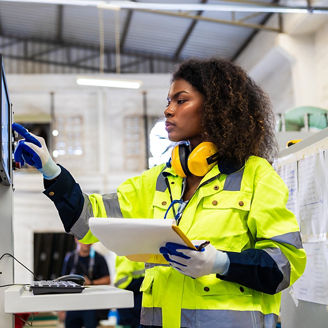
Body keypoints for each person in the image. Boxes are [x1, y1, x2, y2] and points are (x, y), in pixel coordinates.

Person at [13, 57, 306, 328]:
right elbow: (87, 221)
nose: (168, 110)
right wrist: (52, 171)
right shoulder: (158, 181)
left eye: (181, 100)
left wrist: (222, 262)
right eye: (169, 101)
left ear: (216, 107)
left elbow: (286, 263)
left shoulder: (256, 175)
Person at [60, 238, 110, 328]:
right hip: (73, 306)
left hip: (91, 305)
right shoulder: (70, 258)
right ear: (76, 239)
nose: (85, 243)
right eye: (82, 239)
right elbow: (62, 282)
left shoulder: (99, 258)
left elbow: (107, 280)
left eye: (88, 240)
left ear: (92, 241)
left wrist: (91, 282)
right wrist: (61, 309)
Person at [114, 256, 145, 328]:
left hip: (133, 301)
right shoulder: (127, 254)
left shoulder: (138, 252)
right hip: (129, 303)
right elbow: (123, 283)